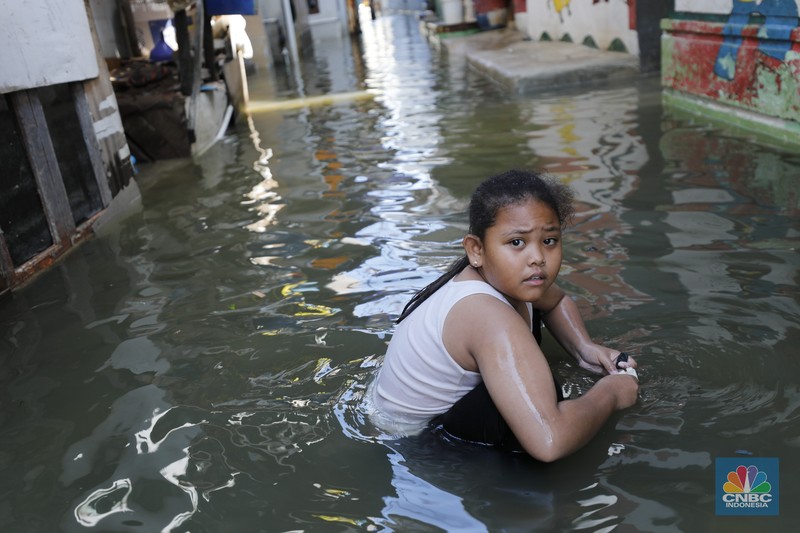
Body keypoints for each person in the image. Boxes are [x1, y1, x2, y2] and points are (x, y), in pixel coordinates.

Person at [367, 169, 639, 462]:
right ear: (476, 249)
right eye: (517, 243)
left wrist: (584, 348)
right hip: (418, 447)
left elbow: (556, 300)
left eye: (549, 241)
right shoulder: (489, 317)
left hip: (399, 413)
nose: (537, 257)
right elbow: (550, 442)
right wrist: (610, 394)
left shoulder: (505, 279)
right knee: (545, 388)